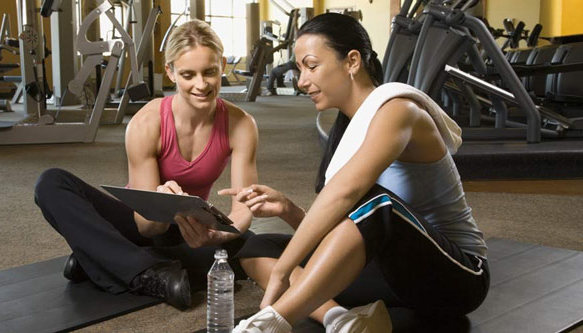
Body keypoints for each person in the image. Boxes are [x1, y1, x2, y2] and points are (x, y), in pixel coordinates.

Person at [220, 13, 489, 332]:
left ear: (351, 61)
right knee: (259, 246)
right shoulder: (349, 129)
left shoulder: (399, 111)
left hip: (456, 277)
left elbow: (352, 195)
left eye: (311, 65)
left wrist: (283, 272)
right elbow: (346, 229)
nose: (302, 81)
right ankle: (340, 320)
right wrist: (289, 211)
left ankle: (271, 323)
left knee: (376, 202)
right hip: (391, 274)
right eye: (299, 69)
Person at [33, 20, 259, 310]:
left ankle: (101, 258)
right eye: (188, 75)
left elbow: (243, 208)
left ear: (223, 65)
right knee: (51, 183)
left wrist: (221, 234)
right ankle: (148, 273)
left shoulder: (241, 125)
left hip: (188, 226)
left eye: (210, 72)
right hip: (141, 221)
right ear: (171, 72)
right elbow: (147, 228)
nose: (201, 85)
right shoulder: (147, 122)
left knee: (250, 246)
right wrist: (162, 206)